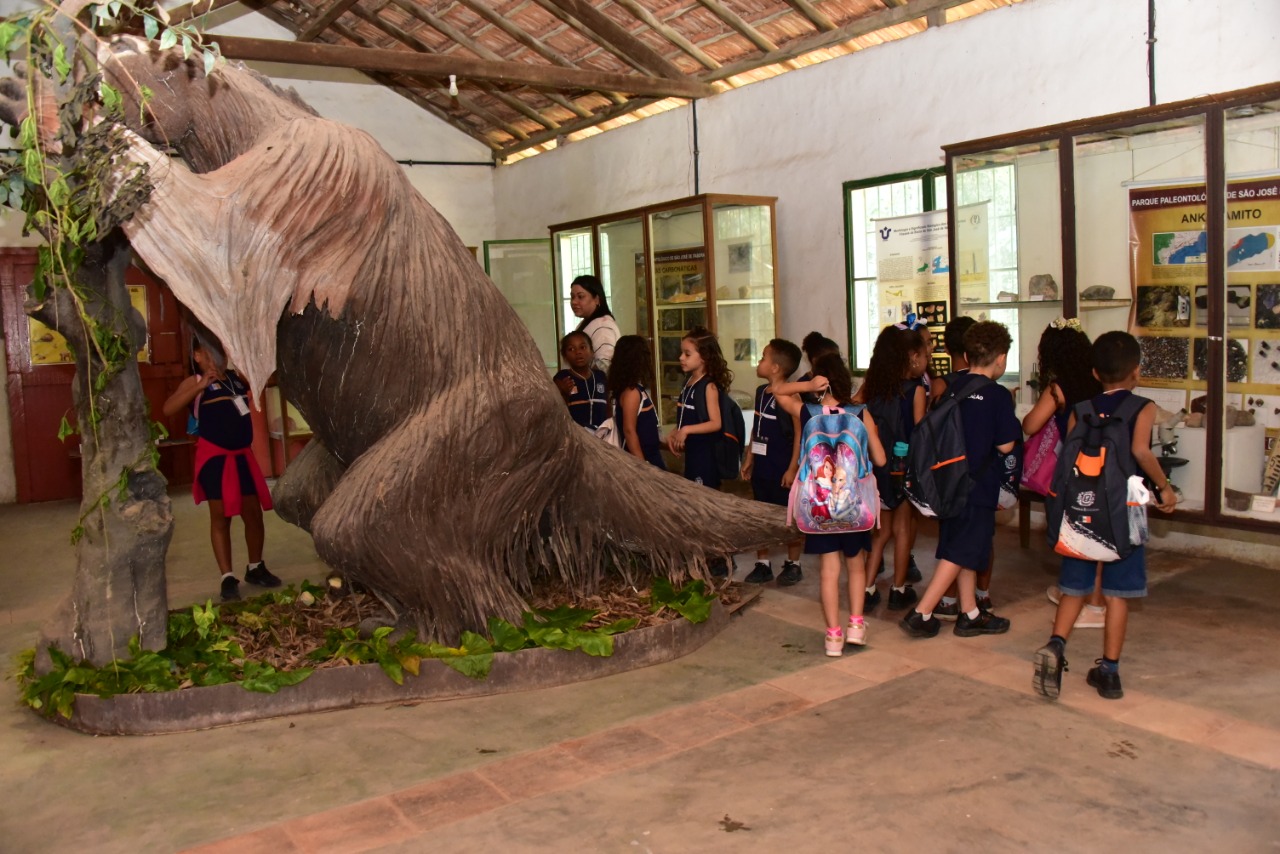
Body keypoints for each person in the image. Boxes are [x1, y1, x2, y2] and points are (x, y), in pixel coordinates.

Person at [1032, 331, 1177, 700]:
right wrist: (1163, 488)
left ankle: (1056, 645)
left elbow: (1068, 460)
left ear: (1095, 373)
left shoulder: (1080, 408)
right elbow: (1142, 452)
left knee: (1073, 588)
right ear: (1137, 371)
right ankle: (1109, 671)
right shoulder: (1142, 407)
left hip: (1081, 511)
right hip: (1123, 513)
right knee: (1117, 594)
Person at [900, 321, 1020, 639]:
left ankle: (970, 613)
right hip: (977, 486)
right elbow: (1006, 445)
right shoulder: (997, 396)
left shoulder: (951, 385)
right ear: (1002, 358)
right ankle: (922, 612)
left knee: (960, 546)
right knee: (960, 551)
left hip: (947, 482)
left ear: (965, 355)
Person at [780, 353, 885, 656]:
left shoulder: (807, 413)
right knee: (856, 566)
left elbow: (776, 390)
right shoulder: (861, 413)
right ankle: (855, 625)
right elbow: (880, 459)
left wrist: (806, 384)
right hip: (854, 506)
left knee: (829, 570)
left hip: (818, 508)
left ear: (818, 380)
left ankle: (833, 637)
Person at [163, 336, 280, 602]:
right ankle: (227, 577)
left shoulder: (236, 379)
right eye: (210, 351)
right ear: (197, 356)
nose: (218, 356)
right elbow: (168, 408)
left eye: (222, 350)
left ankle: (255, 567)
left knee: (253, 513)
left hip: (242, 457)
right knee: (220, 517)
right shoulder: (194, 382)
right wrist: (201, 385)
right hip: (215, 459)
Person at [1022, 318, 1106, 628]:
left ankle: (1084, 598)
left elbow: (1030, 425)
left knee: (1073, 532)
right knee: (1096, 529)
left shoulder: (1058, 389)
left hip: (1074, 467)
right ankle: (1091, 598)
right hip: (1104, 463)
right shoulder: (1100, 380)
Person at [858, 324, 927, 612]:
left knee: (881, 531)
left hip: (876, 466)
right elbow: (920, 432)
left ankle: (867, 586)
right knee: (902, 530)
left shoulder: (873, 390)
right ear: (912, 357)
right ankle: (898, 589)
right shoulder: (916, 390)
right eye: (924, 355)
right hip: (904, 468)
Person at [667, 326, 734, 577]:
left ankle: (720, 555)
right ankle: (705, 554)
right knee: (695, 507)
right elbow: (685, 416)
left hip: (706, 456)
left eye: (687, 354)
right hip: (693, 455)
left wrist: (687, 431)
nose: (681, 358)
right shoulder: (689, 382)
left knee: (707, 508)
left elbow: (715, 423)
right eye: (682, 353)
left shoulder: (709, 386)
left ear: (703, 357)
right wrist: (676, 433)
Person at [741, 338, 805, 586]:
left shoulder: (792, 394)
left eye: (764, 357)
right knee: (761, 513)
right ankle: (763, 563)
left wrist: (793, 468)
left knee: (788, 516)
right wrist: (749, 457)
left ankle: (793, 563)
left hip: (782, 466)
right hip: (763, 466)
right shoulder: (760, 392)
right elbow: (756, 428)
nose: (759, 361)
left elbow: (800, 432)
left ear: (776, 367)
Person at [606, 335, 666, 469]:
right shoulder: (631, 393)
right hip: (643, 461)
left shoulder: (637, 389)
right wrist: (643, 467)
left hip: (652, 456)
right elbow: (629, 430)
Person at [553, 330, 609, 431]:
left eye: (582, 347)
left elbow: (608, 408)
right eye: (571, 349)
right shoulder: (562, 378)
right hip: (576, 439)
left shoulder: (601, 376)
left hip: (602, 438)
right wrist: (564, 393)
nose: (578, 352)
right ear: (564, 356)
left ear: (592, 351)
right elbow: (556, 414)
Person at [570, 274, 620, 371]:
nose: (574, 302)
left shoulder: (603, 326)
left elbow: (605, 365)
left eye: (580, 297)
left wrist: (586, 380)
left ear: (596, 299)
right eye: (572, 297)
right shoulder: (588, 322)